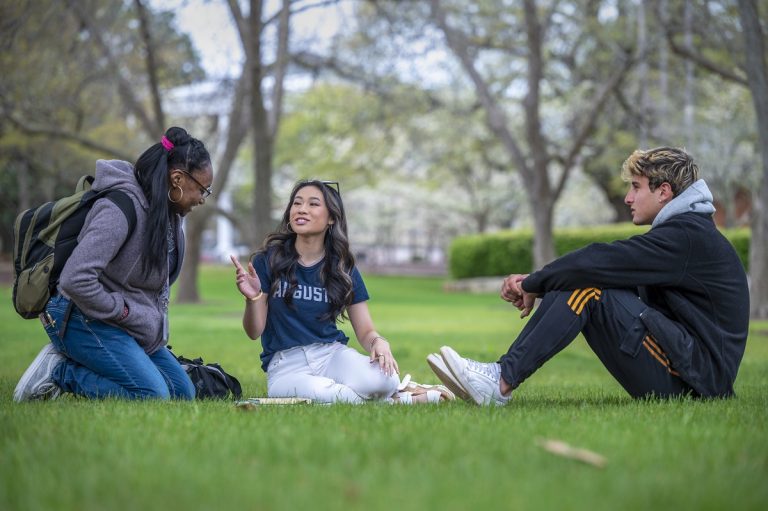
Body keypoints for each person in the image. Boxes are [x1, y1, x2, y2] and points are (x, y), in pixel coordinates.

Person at [432, 147, 750, 405]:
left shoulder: (686, 237)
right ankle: (500, 376)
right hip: (688, 371)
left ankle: (499, 382)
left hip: (694, 384)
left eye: (636, 187)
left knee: (586, 283)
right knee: (579, 278)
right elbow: (599, 267)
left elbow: (596, 262)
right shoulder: (687, 233)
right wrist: (543, 281)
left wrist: (532, 283)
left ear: (664, 192)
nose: (628, 198)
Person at [13, 127, 213, 401]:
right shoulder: (119, 208)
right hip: (78, 315)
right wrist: (124, 311)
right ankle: (59, 371)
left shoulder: (168, 216)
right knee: (151, 395)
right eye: (202, 189)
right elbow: (75, 279)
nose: (203, 198)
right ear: (177, 179)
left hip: (120, 322)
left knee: (182, 394)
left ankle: (98, 364)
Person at [231, 179, 453, 404]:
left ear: (331, 218)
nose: (302, 209)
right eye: (297, 203)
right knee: (330, 394)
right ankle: (401, 399)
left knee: (384, 380)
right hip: (286, 365)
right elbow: (253, 331)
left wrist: (379, 342)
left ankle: (393, 389)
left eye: (313, 204)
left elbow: (366, 331)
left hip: (330, 354)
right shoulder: (268, 260)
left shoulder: (342, 267)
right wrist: (253, 298)